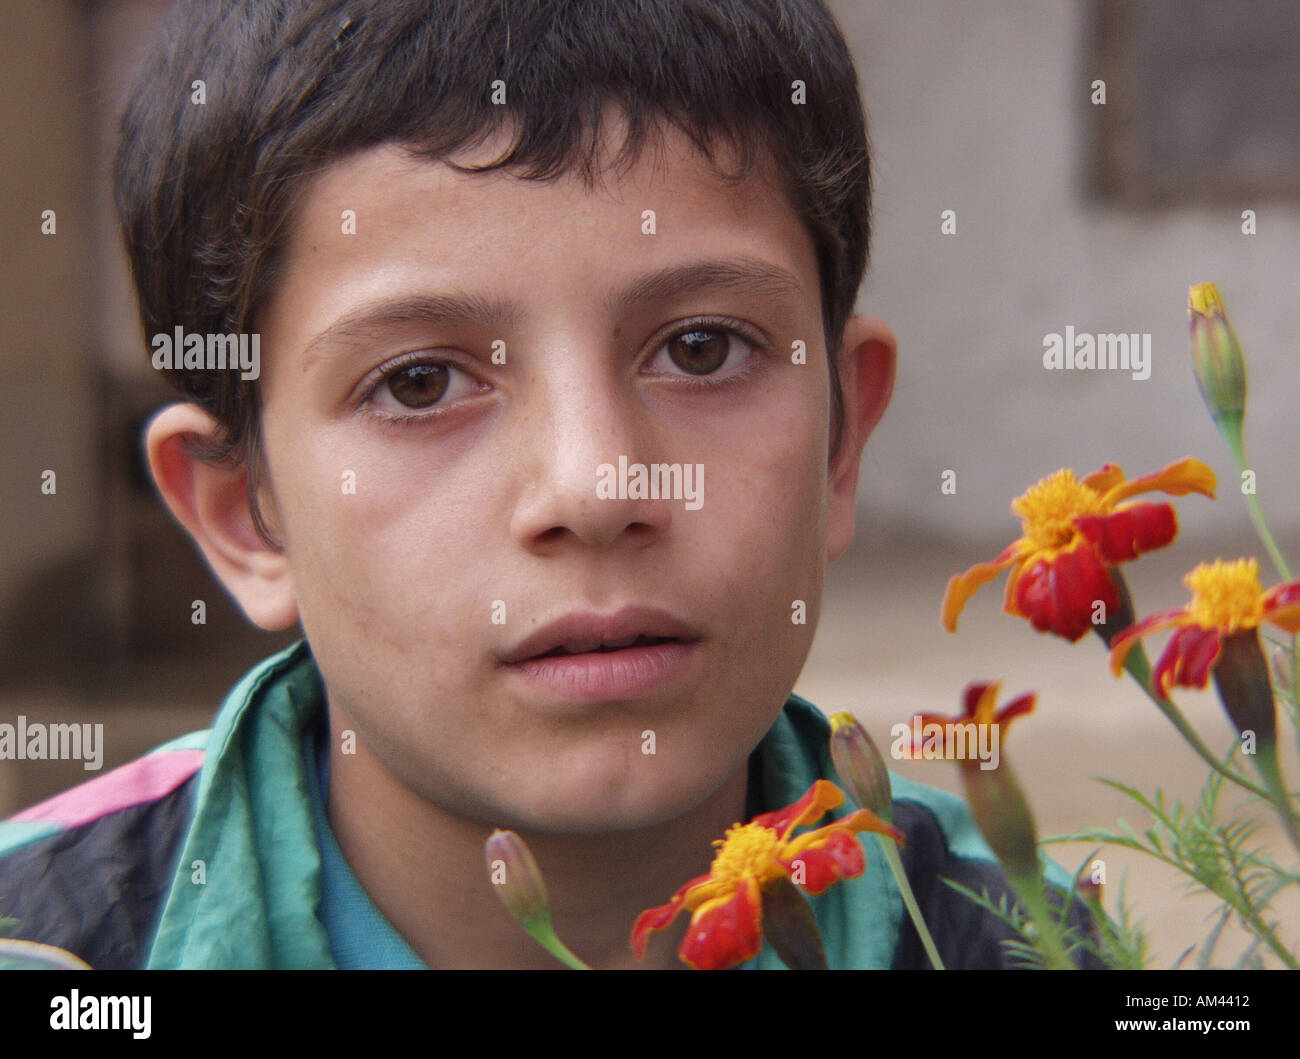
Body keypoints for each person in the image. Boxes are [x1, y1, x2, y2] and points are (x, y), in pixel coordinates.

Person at [0, 0, 1098, 969]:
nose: (593, 486)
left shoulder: (1031, 950)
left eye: (704, 349)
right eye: (420, 382)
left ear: (842, 439)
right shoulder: (50, 946)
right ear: (243, 514)